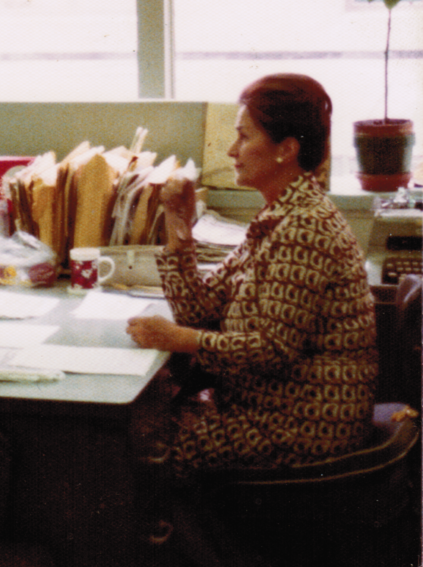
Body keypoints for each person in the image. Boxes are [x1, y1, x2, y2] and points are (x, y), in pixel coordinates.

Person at [126, 73, 377, 478]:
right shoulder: (277, 216)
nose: (231, 150)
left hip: (302, 424)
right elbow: (198, 309)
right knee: (131, 429)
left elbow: (274, 349)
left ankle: (171, 540)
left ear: (286, 150)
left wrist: (180, 340)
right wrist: (177, 224)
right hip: (266, 410)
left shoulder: (304, 227)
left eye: (244, 137)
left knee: (130, 445)